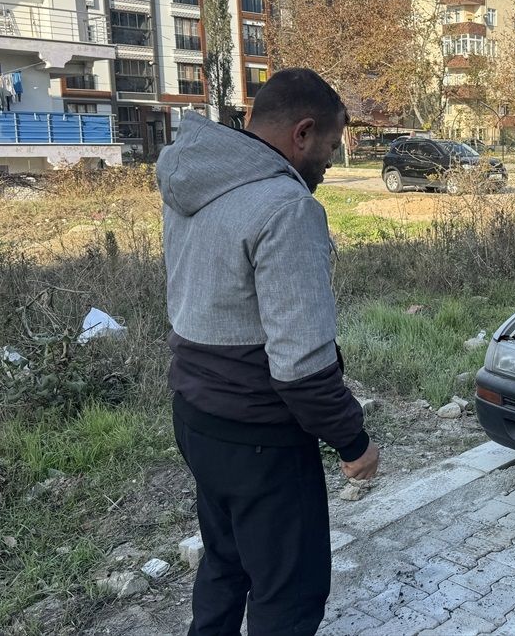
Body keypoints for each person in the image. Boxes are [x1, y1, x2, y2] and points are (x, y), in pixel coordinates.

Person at [157, 68, 380, 635]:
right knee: (289, 593)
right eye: (332, 146)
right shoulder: (286, 206)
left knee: (225, 563)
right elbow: (302, 366)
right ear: (302, 133)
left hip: (196, 415)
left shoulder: (197, 181)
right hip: (262, 438)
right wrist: (353, 441)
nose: (332, 162)